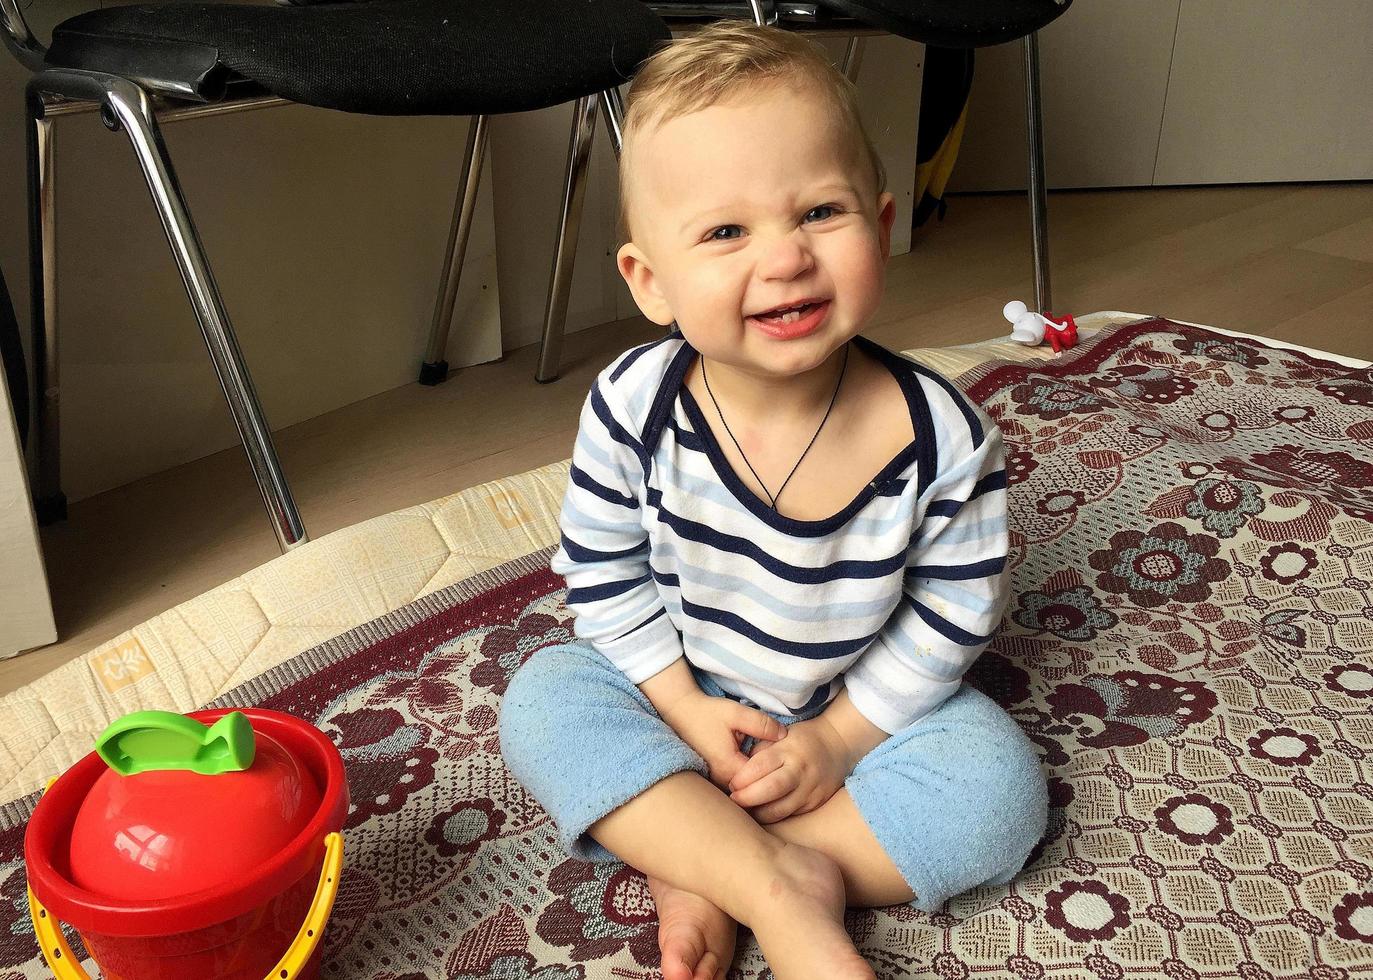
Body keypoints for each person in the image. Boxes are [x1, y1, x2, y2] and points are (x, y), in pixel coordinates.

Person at [500, 21, 1047, 980]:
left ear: (879, 227)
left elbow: (951, 614)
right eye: (724, 232)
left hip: (852, 705)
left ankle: (697, 857)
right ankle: (773, 888)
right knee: (543, 699)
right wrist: (680, 708)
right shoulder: (634, 405)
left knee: (998, 799)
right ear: (650, 281)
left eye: (819, 213)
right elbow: (603, 572)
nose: (786, 257)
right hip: (678, 686)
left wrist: (836, 742)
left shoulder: (942, 437)